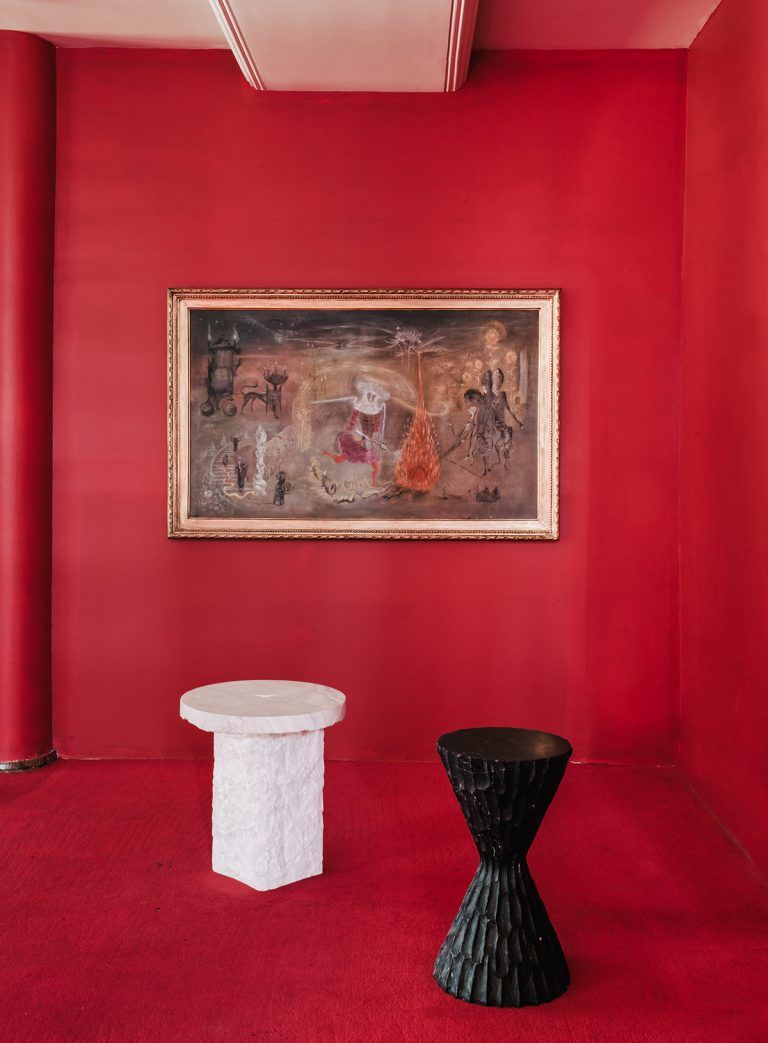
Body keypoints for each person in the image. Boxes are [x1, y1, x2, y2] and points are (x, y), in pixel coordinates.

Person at [318, 378, 390, 486]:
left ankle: (374, 483)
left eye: (373, 395)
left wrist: (376, 440)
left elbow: (379, 427)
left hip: (366, 440)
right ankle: (327, 454)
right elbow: (352, 426)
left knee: (374, 464)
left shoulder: (378, 408)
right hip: (357, 438)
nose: (371, 397)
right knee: (343, 458)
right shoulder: (358, 405)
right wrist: (360, 437)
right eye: (369, 394)